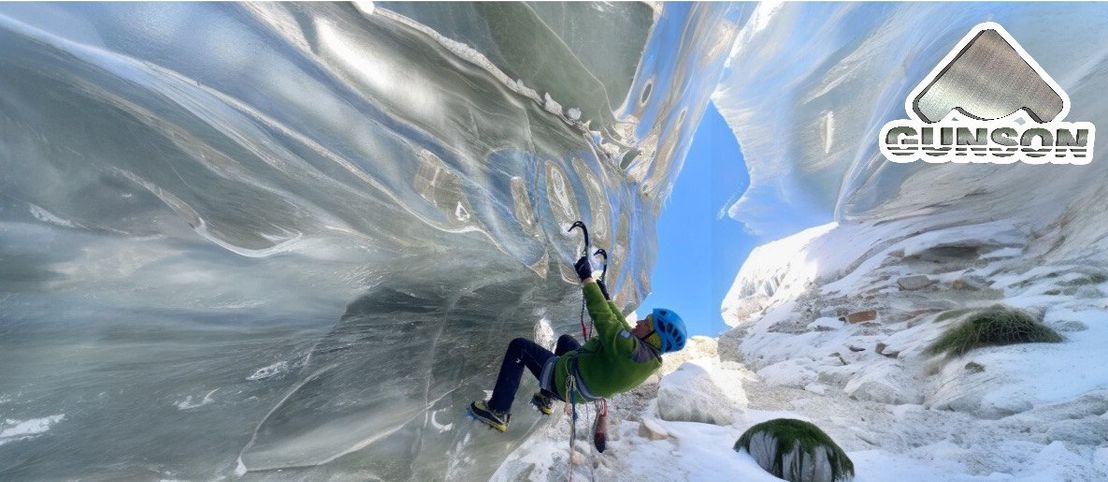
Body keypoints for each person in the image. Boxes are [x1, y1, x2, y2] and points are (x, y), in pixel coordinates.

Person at [469, 255, 687, 432]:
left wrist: (587, 280)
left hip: (564, 381)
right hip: (583, 384)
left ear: (654, 338)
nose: (640, 321)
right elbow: (621, 326)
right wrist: (608, 298)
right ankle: (546, 399)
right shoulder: (645, 358)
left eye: (647, 323)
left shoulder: (630, 352)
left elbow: (604, 320)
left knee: (519, 346)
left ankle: (498, 410)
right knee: (566, 341)